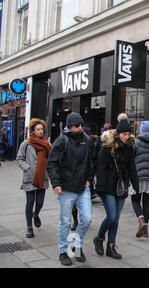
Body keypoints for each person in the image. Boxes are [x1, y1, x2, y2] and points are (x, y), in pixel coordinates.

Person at [46, 112, 94, 266]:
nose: (79, 128)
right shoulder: (61, 141)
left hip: (82, 187)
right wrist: (56, 184)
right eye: (76, 126)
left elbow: (90, 162)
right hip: (66, 188)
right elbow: (52, 164)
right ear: (69, 126)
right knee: (65, 222)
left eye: (80, 125)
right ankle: (63, 251)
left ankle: (76, 244)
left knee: (86, 218)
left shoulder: (86, 140)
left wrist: (88, 179)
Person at [93, 119, 139, 259]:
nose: (126, 137)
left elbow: (132, 168)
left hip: (121, 186)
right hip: (108, 186)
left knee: (116, 218)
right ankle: (99, 238)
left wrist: (135, 185)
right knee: (111, 216)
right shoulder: (107, 148)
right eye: (123, 134)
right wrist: (100, 186)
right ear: (118, 134)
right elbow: (100, 168)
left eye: (128, 134)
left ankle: (111, 246)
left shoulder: (130, 148)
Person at [16, 119, 52, 239]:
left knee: (40, 202)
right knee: (30, 202)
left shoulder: (47, 144)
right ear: (33, 130)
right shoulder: (26, 143)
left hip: (42, 177)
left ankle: (36, 215)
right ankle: (29, 228)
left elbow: (51, 159)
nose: (40, 131)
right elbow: (19, 159)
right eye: (38, 129)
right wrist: (28, 168)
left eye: (42, 129)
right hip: (30, 177)